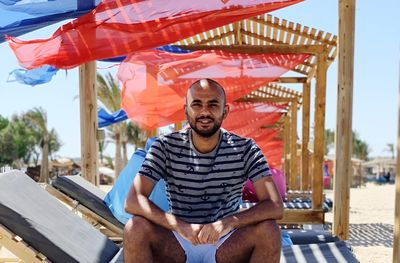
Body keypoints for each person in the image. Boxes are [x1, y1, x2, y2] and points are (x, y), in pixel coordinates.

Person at [124, 79, 283, 263]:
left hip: (226, 243)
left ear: (225, 111)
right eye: (196, 104)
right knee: (134, 228)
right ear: (186, 110)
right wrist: (180, 226)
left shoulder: (246, 149)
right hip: (177, 241)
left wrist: (229, 222)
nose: (205, 111)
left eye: (213, 104)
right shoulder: (165, 146)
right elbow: (133, 200)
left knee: (270, 231)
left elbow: (275, 205)